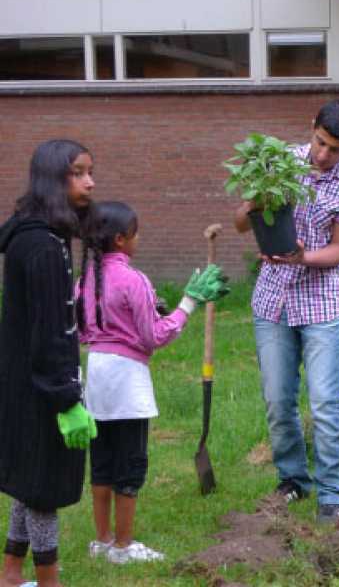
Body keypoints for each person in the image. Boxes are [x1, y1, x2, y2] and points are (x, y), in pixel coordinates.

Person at [234, 99, 339, 524]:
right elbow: (241, 222)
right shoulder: (278, 163)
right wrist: (254, 205)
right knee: (278, 399)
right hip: (272, 299)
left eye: (335, 149)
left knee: (326, 403)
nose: (323, 154)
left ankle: (333, 492)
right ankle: (292, 480)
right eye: (320, 142)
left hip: (322, 303)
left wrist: (301, 257)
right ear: (312, 127)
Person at [77, 201, 229, 564]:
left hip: (96, 376)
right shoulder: (134, 280)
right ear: (120, 239)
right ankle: (124, 547)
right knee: (131, 464)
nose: (139, 238)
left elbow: (84, 331)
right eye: (136, 233)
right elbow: (154, 336)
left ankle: (102, 540)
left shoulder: (83, 280)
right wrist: (188, 303)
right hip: (127, 382)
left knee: (102, 463)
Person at [0, 139, 98, 587]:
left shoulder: (44, 235)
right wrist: (66, 399)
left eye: (90, 172)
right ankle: (49, 581)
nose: (89, 183)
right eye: (78, 173)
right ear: (52, 180)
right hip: (39, 388)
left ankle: (10, 574)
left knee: (28, 479)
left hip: (28, 381)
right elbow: (48, 333)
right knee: (43, 487)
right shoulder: (41, 246)